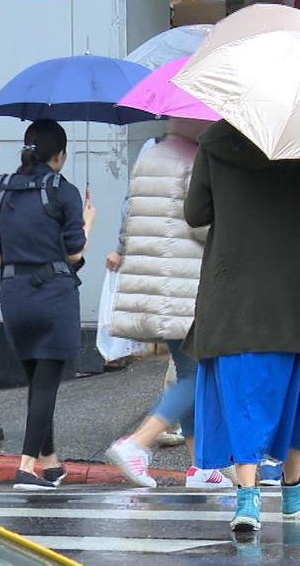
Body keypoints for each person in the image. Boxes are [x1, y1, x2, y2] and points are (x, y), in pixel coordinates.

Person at [184, 121, 300, 532]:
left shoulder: (214, 143)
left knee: (241, 393)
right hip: (290, 291)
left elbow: (195, 213)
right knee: (292, 391)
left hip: (231, 289)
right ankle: (292, 488)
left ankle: (247, 498)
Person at [103, 118, 233, 490]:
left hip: (153, 283)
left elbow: (129, 218)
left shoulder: (150, 155)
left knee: (190, 369)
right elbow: (199, 225)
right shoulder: (194, 161)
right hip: (183, 284)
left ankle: (200, 466)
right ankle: (138, 442)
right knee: (197, 375)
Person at [0, 120, 93, 490]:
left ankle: (50, 461)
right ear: (59, 154)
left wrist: (23, 267)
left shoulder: (3, 188)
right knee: (45, 385)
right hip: (53, 298)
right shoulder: (64, 191)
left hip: (14, 296)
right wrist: (88, 224)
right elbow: (75, 254)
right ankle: (26, 467)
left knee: (37, 381)